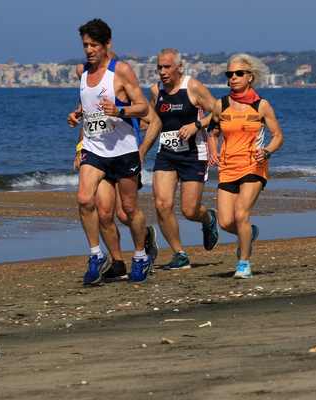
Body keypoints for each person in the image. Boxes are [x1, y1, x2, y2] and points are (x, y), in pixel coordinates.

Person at [68, 19, 153, 285]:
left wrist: (120, 110)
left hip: (123, 151)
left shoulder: (121, 71)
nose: (89, 50)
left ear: (107, 45)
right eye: (85, 45)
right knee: (86, 200)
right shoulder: (82, 72)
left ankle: (140, 256)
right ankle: (96, 254)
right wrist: (77, 114)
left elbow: (143, 108)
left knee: (128, 210)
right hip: (95, 149)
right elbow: (88, 105)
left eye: (94, 45)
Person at [141, 48, 219, 270]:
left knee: (189, 210)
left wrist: (196, 125)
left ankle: (207, 219)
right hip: (166, 153)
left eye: (167, 67)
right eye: (159, 67)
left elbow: (219, 112)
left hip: (194, 154)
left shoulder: (192, 86)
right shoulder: (156, 90)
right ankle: (180, 254)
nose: (162, 72)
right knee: (162, 204)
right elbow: (152, 121)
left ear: (178, 68)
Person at [208, 53, 284, 279]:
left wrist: (267, 151)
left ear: (250, 77)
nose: (233, 78)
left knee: (241, 214)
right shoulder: (219, 105)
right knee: (225, 222)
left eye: (238, 73)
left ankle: (244, 263)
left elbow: (278, 136)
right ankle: (249, 234)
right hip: (228, 168)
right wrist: (213, 151)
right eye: (229, 74)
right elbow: (212, 133)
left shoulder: (261, 106)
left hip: (253, 166)